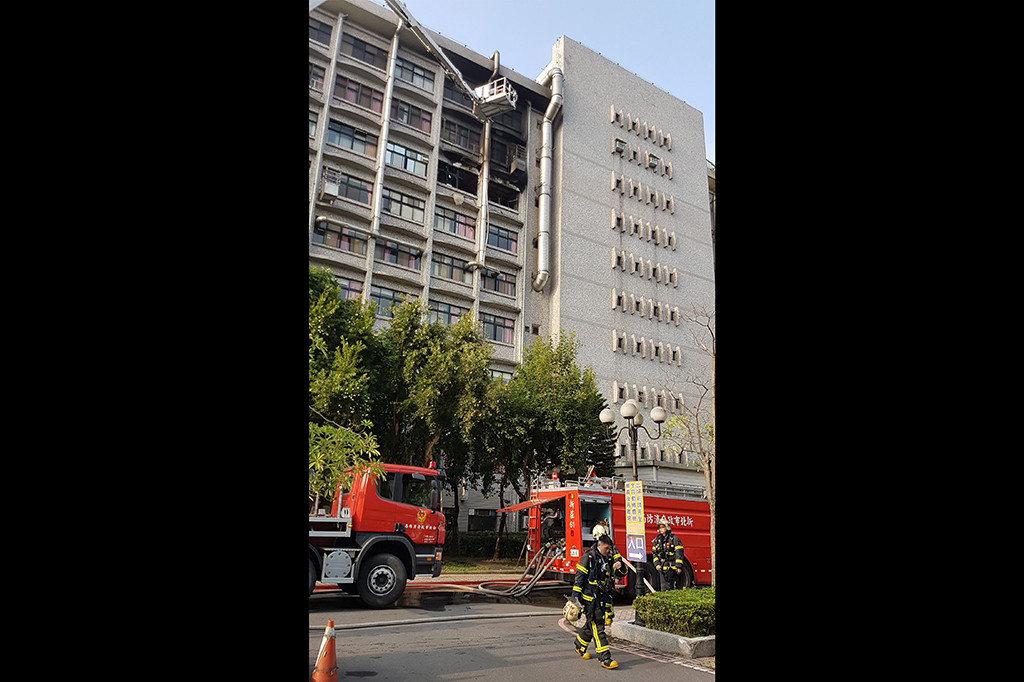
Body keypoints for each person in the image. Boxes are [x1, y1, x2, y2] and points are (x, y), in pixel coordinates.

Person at [569, 534, 628, 669]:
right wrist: (574, 599)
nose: (608, 551)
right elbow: (579, 580)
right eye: (606, 548)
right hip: (590, 600)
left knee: (591, 625)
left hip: (602, 598)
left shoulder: (607, 558)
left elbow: (622, 573)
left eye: (609, 549)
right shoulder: (588, 558)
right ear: (599, 545)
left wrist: (620, 565)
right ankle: (605, 658)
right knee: (598, 626)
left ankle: (579, 644)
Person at [651, 517, 685, 591]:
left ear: (667, 527)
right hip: (663, 569)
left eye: (662, 527)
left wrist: (678, 567)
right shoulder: (657, 540)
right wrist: (657, 564)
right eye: (660, 528)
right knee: (663, 588)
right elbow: (654, 553)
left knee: (674, 589)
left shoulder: (674, 539)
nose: (661, 529)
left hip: (673, 569)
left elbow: (679, 553)